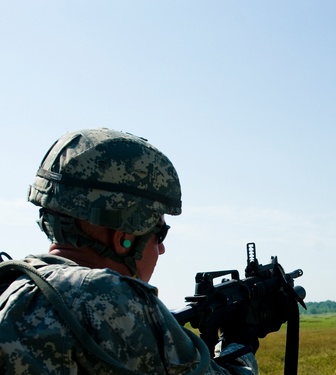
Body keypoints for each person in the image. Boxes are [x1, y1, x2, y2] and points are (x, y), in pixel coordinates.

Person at [0, 128, 260, 374]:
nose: (162, 248)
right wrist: (240, 343)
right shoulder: (104, 296)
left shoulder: (11, 284)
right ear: (124, 239)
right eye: (159, 235)